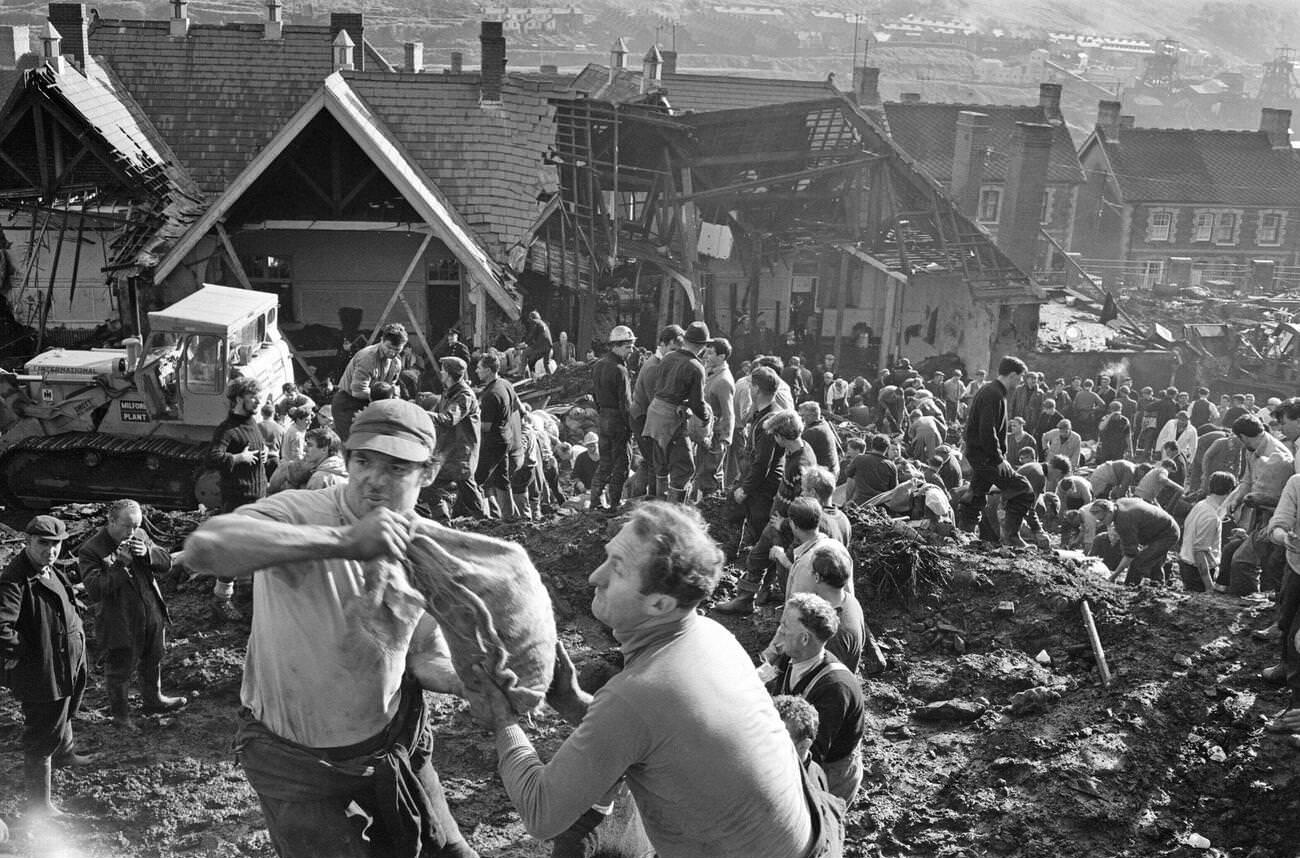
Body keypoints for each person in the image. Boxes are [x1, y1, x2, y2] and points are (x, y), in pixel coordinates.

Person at [182, 399, 478, 858]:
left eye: (397, 468)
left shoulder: (427, 549)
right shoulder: (298, 513)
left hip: (390, 745)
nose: (373, 479)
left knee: (448, 851)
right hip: (297, 762)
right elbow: (206, 548)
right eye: (363, 461)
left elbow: (421, 653)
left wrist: (469, 682)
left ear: (429, 473)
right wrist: (342, 542)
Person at [460, 502, 835, 858]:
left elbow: (541, 812)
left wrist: (502, 721)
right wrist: (573, 700)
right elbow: (662, 739)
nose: (596, 576)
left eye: (617, 568)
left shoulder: (636, 695)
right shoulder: (711, 634)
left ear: (660, 604)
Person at [0, 515, 95, 819]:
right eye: (44, 543)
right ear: (27, 541)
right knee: (41, 737)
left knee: (65, 710)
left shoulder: (49, 569)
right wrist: (26, 654)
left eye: (57, 544)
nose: (51, 550)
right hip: (43, 670)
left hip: (67, 662)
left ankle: (66, 755)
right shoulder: (14, 579)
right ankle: (40, 806)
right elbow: (2, 628)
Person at [78, 499, 186, 729]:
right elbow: (95, 589)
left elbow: (166, 563)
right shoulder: (91, 550)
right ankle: (121, 715)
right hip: (120, 619)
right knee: (121, 666)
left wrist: (147, 552)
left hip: (150, 610)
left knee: (153, 656)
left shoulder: (140, 535)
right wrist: (121, 565)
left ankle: (153, 699)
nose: (132, 531)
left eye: (136, 525)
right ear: (111, 521)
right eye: (127, 526)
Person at [769, 593, 866, 806]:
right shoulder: (791, 656)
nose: (780, 630)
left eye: (785, 625)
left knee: (820, 826)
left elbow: (812, 755)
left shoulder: (835, 689)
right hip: (796, 749)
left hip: (830, 773)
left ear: (804, 638)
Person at [718, 410, 818, 614]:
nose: (774, 439)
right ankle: (751, 597)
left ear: (781, 437)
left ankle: (782, 607)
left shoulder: (801, 465)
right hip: (778, 520)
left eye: (775, 435)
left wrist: (785, 523)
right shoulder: (795, 452)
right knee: (759, 557)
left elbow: (807, 504)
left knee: (776, 563)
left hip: (788, 527)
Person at [959, 356, 1045, 548]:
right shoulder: (994, 394)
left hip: (981, 455)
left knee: (976, 494)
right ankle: (1012, 537)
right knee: (1023, 490)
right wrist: (998, 458)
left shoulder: (991, 391)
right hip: (987, 457)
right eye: (1020, 378)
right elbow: (986, 430)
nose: (1021, 382)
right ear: (1013, 375)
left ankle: (964, 533)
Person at [208, 377, 268, 621]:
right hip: (238, 500)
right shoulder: (227, 429)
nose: (258, 400)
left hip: (257, 498)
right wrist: (236, 459)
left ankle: (245, 589)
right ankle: (221, 601)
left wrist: (266, 455)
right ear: (239, 398)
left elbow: (253, 450)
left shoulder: (252, 423)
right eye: (253, 396)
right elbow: (212, 458)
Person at [643, 321, 712, 504]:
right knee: (684, 467)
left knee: (661, 464)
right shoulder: (696, 367)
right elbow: (698, 403)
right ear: (703, 346)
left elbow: (662, 388)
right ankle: (673, 513)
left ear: (685, 340)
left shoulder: (668, 357)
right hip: (670, 419)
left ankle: (659, 506)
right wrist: (705, 419)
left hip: (654, 415)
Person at [427, 357, 487, 520]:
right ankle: (484, 521)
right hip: (451, 451)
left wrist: (421, 414)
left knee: (428, 483)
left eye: (443, 370)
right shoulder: (450, 392)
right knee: (469, 492)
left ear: (449, 374)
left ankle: (444, 520)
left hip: (460, 453)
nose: (440, 372)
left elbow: (448, 419)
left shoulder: (464, 395)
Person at [629, 326, 683, 500]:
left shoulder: (661, 364)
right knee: (655, 462)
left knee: (650, 461)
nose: (675, 354)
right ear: (662, 345)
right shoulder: (654, 367)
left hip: (647, 415)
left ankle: (637, 494)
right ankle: (651, 498)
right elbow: (658, 402)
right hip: (643, 418)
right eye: (672, 349)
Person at [332, 323, 408, 441]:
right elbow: (358, 391)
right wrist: (386, 398)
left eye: (397, 350)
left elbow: (391, 387)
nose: (392, 353)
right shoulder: (368, 358)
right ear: (382, 340)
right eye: (389, 348)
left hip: (373, 402)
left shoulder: (396, 363)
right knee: (354, 444)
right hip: (349, 403)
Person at [589, 326, 636, 512]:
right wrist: (630, 426)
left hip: (604, 419)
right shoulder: (620, 370)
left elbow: (594, 394)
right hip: (617, 420)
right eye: (628, 346)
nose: (631, 350)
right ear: (616, 345)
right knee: (622, 463)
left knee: (605, 462)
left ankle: (595, 501)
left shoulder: (599, 364)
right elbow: (625, 403)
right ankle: (615, 503)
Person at [476, 353, 525, 519]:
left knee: (476, 480)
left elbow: (485, 427)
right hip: (506, 438)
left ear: (489, 370)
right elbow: (520, 408)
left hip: (493, 443)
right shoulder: (505, 384)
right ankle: (511, 516)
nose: (476, 371)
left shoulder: (490, 395)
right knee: (502, 479)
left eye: (479, 368)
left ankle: (478, 518)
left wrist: (470, 420)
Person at [1089, 498, 1180, 586]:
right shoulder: (1119, 503)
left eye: (1102, 519)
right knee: (1153, 561)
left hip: (1166, 534)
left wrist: (1113, 576)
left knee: (1138, 564)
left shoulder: (1124, 521)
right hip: (1163, 528)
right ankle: (1158, 586)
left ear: (1110, 512)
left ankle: (1129, 589)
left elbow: (1130, 555)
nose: (1101, 523)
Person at [1179, 471, 1236, 592]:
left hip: (1188, 564)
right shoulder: (1211, 516)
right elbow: (1199, 551)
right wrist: (1209, 586)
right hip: (1196, 571)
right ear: (1229, 491)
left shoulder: (1201, 505)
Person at [696, 337, 737, 499]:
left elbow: (728, 413)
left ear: (722, 357)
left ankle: (713, 508)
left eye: (711, 352)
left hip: (715, 437)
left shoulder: (723, 381)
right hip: (705, 433)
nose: (706, 355)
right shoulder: (709, 372)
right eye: (706, 350)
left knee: (710, 476)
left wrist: (723, 440)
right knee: (702, 474)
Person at [843, 434, 898, 506]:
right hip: (881, 505)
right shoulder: (891, 466)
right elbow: (894, 489)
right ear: (887, 449)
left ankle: (847, 503)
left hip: (860, 503)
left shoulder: (859, 459)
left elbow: (848, 474)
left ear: (872, 446)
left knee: (851, 477)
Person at [799, 401, 840, 477]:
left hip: (824, 477)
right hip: (832, 471)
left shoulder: (812, 432)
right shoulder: (823, 423)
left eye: (802, 416)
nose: (801, 419)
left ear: (810, 416)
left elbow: (798, 454)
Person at [523, 310, 555, 377]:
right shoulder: (543, 323)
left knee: (526, 354)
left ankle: (524, 374)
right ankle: (551, 377)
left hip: (541, 345)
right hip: (549, 346)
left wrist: (525, 342)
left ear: (532, 318)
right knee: (546, 364)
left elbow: (532, 334)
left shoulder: (535, 321)